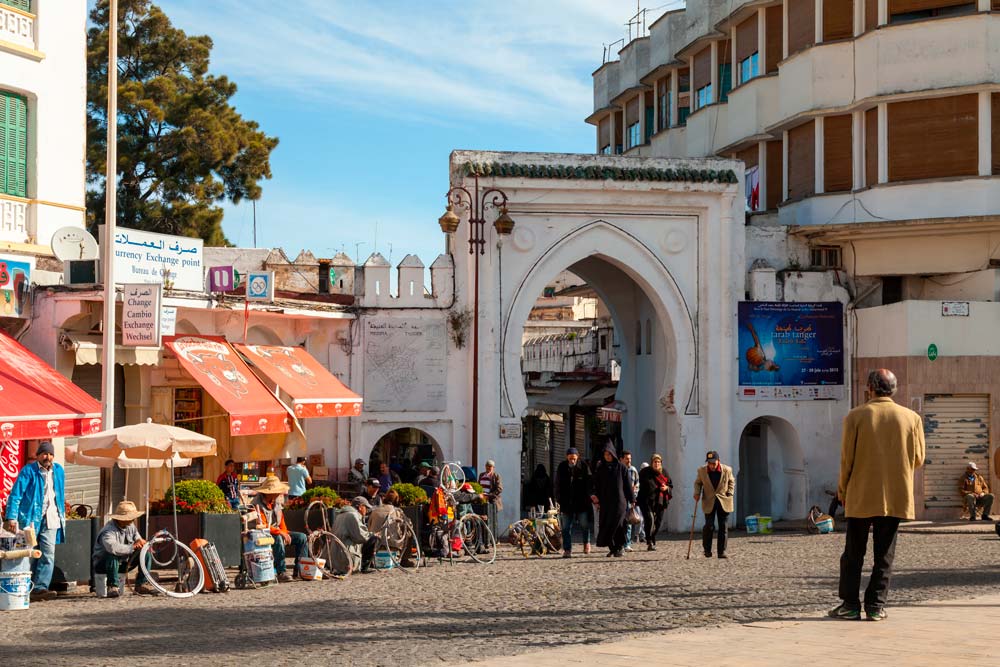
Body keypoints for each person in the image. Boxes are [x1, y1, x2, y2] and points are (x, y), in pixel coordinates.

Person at [830, 369, 925, 622]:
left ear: (869, 389)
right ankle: (875, 606)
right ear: (894, 390)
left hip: (860, 494)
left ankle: (850, 605)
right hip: (895, 496)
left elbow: (846, 460)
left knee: (853, 553)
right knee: (884, 555)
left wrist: (842, 490)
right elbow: (918, 459)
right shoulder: (912, 418)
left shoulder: (856, 416)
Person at [3, 441, 64, 601]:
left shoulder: (58, 471)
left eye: (50, 454)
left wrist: (61, 515)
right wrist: (11, 517)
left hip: (51, 518)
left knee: (48, 554)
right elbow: (16, 494)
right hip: (30, 519)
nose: (47, 457)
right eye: (44, 453)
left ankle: (40, 588)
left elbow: (60, 494)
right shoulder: (28, 471)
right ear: (37, 455)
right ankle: (24, 585)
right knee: (27, 552)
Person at [250, 475, 307, 582]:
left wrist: (285, 532)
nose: (279, 494)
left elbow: (282, 521)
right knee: (278, 539)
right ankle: (281, 571)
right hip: (262, 533)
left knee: (302, 537)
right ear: (269, 492)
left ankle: (300, 569)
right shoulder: (256, 504)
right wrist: (281, 533)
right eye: (277, 492)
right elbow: (263, 525)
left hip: (278, 531)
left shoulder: (275, 502)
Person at [92, 501, 154, 597]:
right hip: (104, 565)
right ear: (121, 519)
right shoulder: (108, 530)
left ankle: (141, 584)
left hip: (122, 562)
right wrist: (132, 547)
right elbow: (112, 547)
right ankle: (112, 586)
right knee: (113, 554)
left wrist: (141, 543)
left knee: (145, 553)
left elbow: (137, 537)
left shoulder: (130, 526)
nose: (132, 520)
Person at [591, 442, 634, 557]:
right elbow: (597, 485)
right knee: (607, 525)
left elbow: (628, 485)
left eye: (609, 454)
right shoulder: (601, 468)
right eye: (605, 455)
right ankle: (612, 547)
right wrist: (595, 497)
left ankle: (619, 547)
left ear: (613, 454)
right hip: (606, 502)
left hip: (620, 502)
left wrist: (632, 499)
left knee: (619, 525)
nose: (607, 457)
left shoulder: (621, 468)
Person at [694, 450, 735, 559]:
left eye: (713, 463)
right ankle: (707, 550)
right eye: (709, 463)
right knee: (709, 526)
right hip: (709, 501)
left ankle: (722, 552)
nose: (711, 465)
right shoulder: (702, 470)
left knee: (723, 527)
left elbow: (732, 481)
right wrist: (697, 493)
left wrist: (730, 492)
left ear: (718, 461)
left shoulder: (727, 469)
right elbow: (698, 483)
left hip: (723, 501)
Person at [554, 447, 593, 557]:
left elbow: (589, 483)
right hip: (566, 502)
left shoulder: (584, 466)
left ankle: (586, 543)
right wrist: (558, 498)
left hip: (581, 502)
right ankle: (567, 549)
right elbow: (557, 483)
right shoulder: (562, 467)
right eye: (570, 458)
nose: (572, 460)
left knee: (584, 524)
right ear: (567, 457)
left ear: (578, 457)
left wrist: (589, 497)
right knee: (566, 527)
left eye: (574, 458)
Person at [366, 490, 416, 567]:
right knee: (409, 533)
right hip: (392, 545)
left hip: (375, 545)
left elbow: (369, 526)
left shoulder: (375, 511)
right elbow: (409, 526)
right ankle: (404, 560)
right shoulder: (397, 511)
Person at [333, 496, 378, 572]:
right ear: (360, 507)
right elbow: (361, 537)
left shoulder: (341, 514)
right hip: (345, 556)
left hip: (337, 553)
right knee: (373, 538)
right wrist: (373, 534)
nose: (366, 511)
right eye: (366, 508)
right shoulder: (353, 515)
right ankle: (364, 567)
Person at [637, 453, 672, 551]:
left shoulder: (664, 472)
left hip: (660, 501)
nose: (656, 464)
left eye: (658, 462)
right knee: (650, 519)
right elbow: (637, 483)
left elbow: (670, 485)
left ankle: (652, 537)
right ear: (651, 463)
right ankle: (649, 541)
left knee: (658, 522)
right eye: (654, 462)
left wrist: (666, 488)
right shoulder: (644, 472)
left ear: (661, 463)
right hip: (646, 501)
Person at [622, 451, 640, 552]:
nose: (629, 460)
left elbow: (637, 483)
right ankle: (620, 542)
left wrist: (634, 494)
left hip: (629, 500)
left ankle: (627, 544)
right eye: (627, 458)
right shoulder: (619, 469)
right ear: (622, 459)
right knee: (620, 522)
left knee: (628, 522)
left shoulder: (633, 470)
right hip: (620, 500)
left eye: (630, 458)